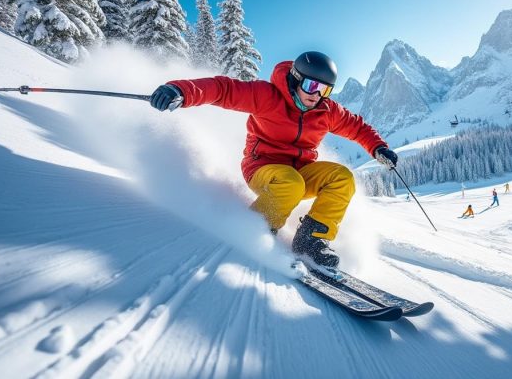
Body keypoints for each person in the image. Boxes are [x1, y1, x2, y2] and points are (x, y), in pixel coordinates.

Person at [149, 51, 397, 270]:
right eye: (312, 86)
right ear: (297, 78)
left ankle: (310, 240)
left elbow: (356, 126)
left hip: (301, 171)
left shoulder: (326, 110)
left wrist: (378, 147)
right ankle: (257, 229)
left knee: (341, 178)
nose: (316, 96)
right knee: (290, 183)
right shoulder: (267, 96)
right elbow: (223, 89)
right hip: (262, 168)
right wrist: (180, 90)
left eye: (325, 90)